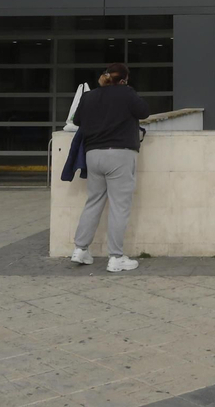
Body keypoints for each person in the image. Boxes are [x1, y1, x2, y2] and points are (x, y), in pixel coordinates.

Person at [70, 62, 150, 273]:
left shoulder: (89, 96)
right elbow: (144, 111)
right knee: (119, 206)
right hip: (120, 155)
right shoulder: (126, 93)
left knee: (93, 201)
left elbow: (77, 120)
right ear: (123, 79)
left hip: (93, 155)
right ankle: (116, 257)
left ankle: (80, 249)